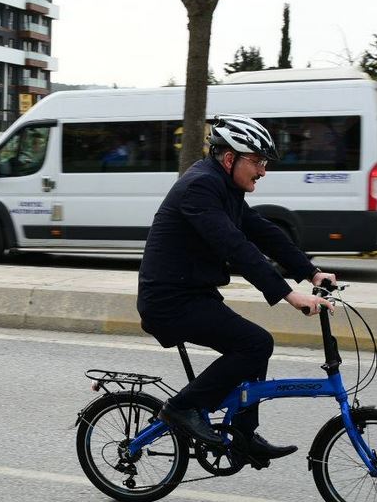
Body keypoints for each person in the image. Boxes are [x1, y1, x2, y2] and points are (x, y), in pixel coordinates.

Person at [137, 114, 337, 468]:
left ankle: (244, 434)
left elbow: (263, 233)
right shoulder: (200, 187)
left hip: (194, 295)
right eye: (258, 162)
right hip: (169, 301)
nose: (263, 171)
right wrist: (290, 295)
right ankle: (182, 408)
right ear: (230, 159)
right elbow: (236, 247)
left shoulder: (223, 188)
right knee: (254, 343)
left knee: (254, 346)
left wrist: (312, 272)